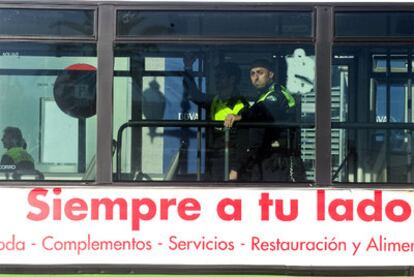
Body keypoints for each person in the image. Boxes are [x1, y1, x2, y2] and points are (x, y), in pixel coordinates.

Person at [224, 59, 306, 182]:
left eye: (260, 72)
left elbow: (263, 109)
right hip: (265, 157)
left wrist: (241, 116)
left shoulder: (279, 93)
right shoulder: (262, 96)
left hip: (282, 160)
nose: (256, 77)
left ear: (271, 75)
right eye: (252, 74)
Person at [183, 56, 249, 181]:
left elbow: (244, 142)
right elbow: (194, 94)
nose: (217, 80)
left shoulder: (241, 105)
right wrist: (188, 67)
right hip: (214, 156)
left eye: (221, 76)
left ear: (232, 79)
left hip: (232, 161)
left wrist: (235, 169)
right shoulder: (215, 100)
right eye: (216, 76)